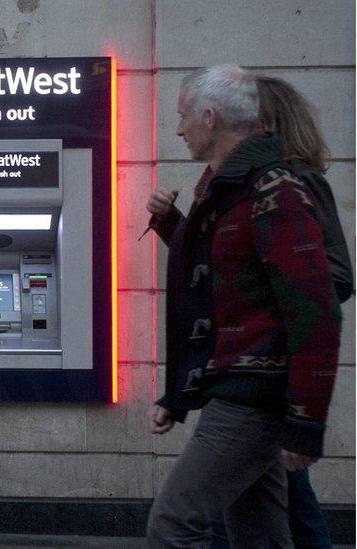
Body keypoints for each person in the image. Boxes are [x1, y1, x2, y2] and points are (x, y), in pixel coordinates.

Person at [144, 64, 342, 548]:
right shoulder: (230, 187)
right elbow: (216, 288)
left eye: (183, 116)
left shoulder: (273, 188)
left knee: (173, 526)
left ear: (209, 117)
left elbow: (315, 310)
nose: (177, 128)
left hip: (252, 395)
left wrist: (305, 421)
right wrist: (178, 393)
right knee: (258, 535)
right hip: (236, 387)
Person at [209, 75, 352, 549]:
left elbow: (336, 277)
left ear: (263, 123)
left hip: (271, 371)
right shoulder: (248, 186)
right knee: (271, 504)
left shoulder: (295, 184)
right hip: (245, 366)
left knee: (233, 505)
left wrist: (282, 294)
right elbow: (228, 273)